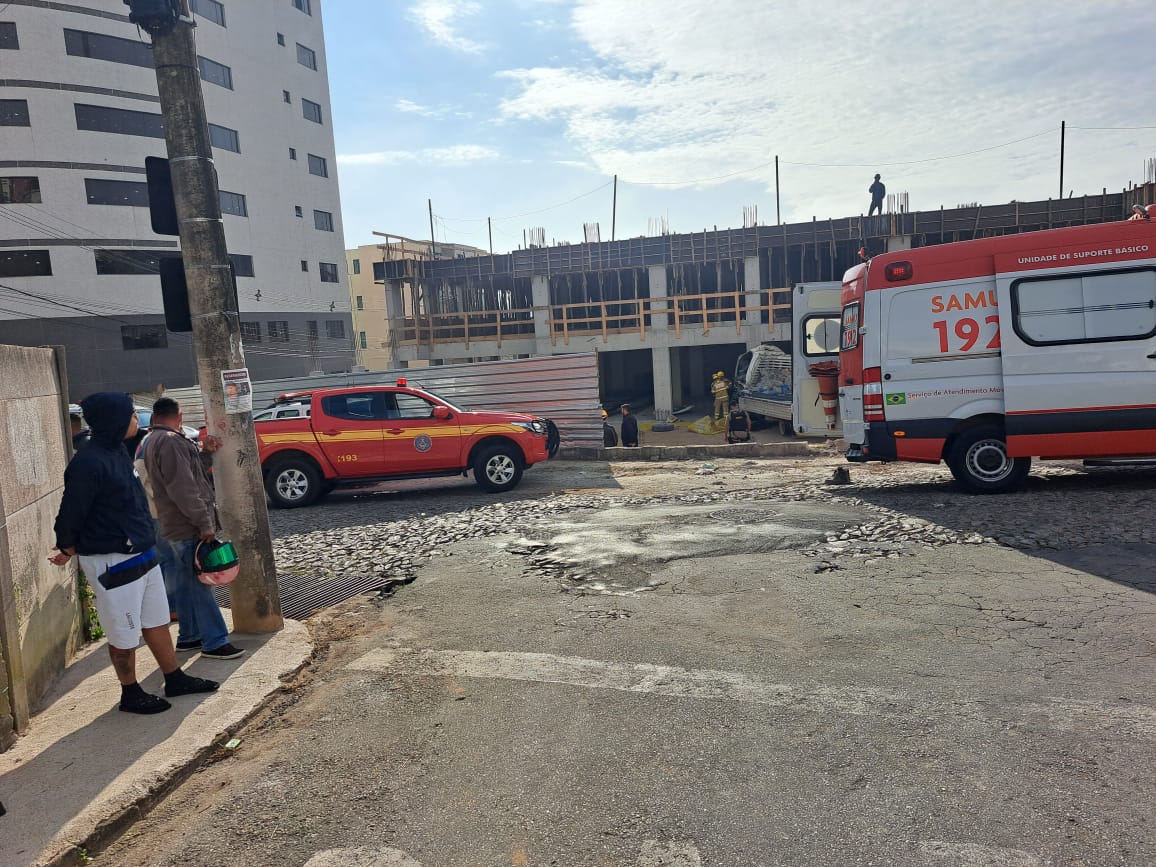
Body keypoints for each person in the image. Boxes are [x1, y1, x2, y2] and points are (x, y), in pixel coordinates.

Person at [49, 392, 218, 714]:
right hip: (112, 559)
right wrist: (66, 544)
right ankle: (130, 692)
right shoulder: (88, 461)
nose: (133, 420)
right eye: (129, 415)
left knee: (155, 620)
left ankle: (175, 677)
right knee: (122, 630)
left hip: (142, 553)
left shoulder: (118, 451)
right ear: (114, 419)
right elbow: (71, 509)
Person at [139, 397, 243, 660]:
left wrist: (204, 453)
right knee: (200, 583)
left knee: (186, 582)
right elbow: (184, 488)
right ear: (180, 416)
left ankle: (190, 636)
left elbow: (185, 471)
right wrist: (204, 524)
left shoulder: (152, 440)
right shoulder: (171, 441)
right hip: (184, 524)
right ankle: (215, 641)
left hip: (169, 524)